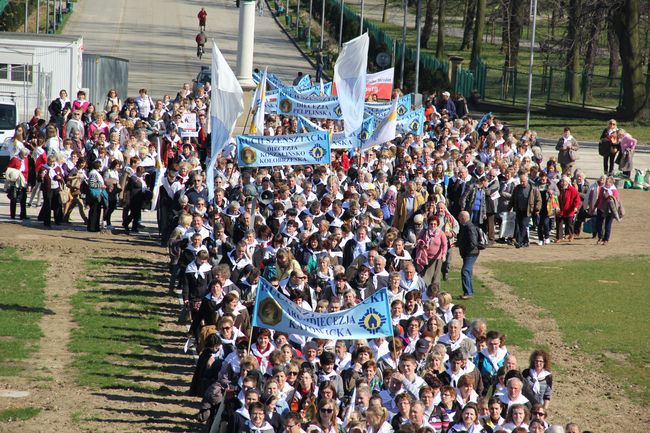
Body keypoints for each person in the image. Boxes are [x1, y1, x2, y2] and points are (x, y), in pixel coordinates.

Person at [508, 173, 541, 248]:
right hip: (519, 209)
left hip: (528, 210)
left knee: (523, 225)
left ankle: (519, 242)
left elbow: (539, 200)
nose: (522, 183)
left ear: (527, 180)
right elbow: (513, 198)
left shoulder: (533, 189)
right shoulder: (517, 188)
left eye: (523, 181)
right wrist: (509, 207)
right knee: (520, 226)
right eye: (521, 181)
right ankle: (526, 241)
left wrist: (537, 209)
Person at [456, 211, 479, 300]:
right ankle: (469, 291)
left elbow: (473, 242)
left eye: (459, 218)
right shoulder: (467, 226)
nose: (459, 219)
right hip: (469, 253)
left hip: (471, 253)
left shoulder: (469, 227)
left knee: (465, 271)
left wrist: (466, 249)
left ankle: (468, 292)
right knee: (468, 272)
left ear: (463, 218)